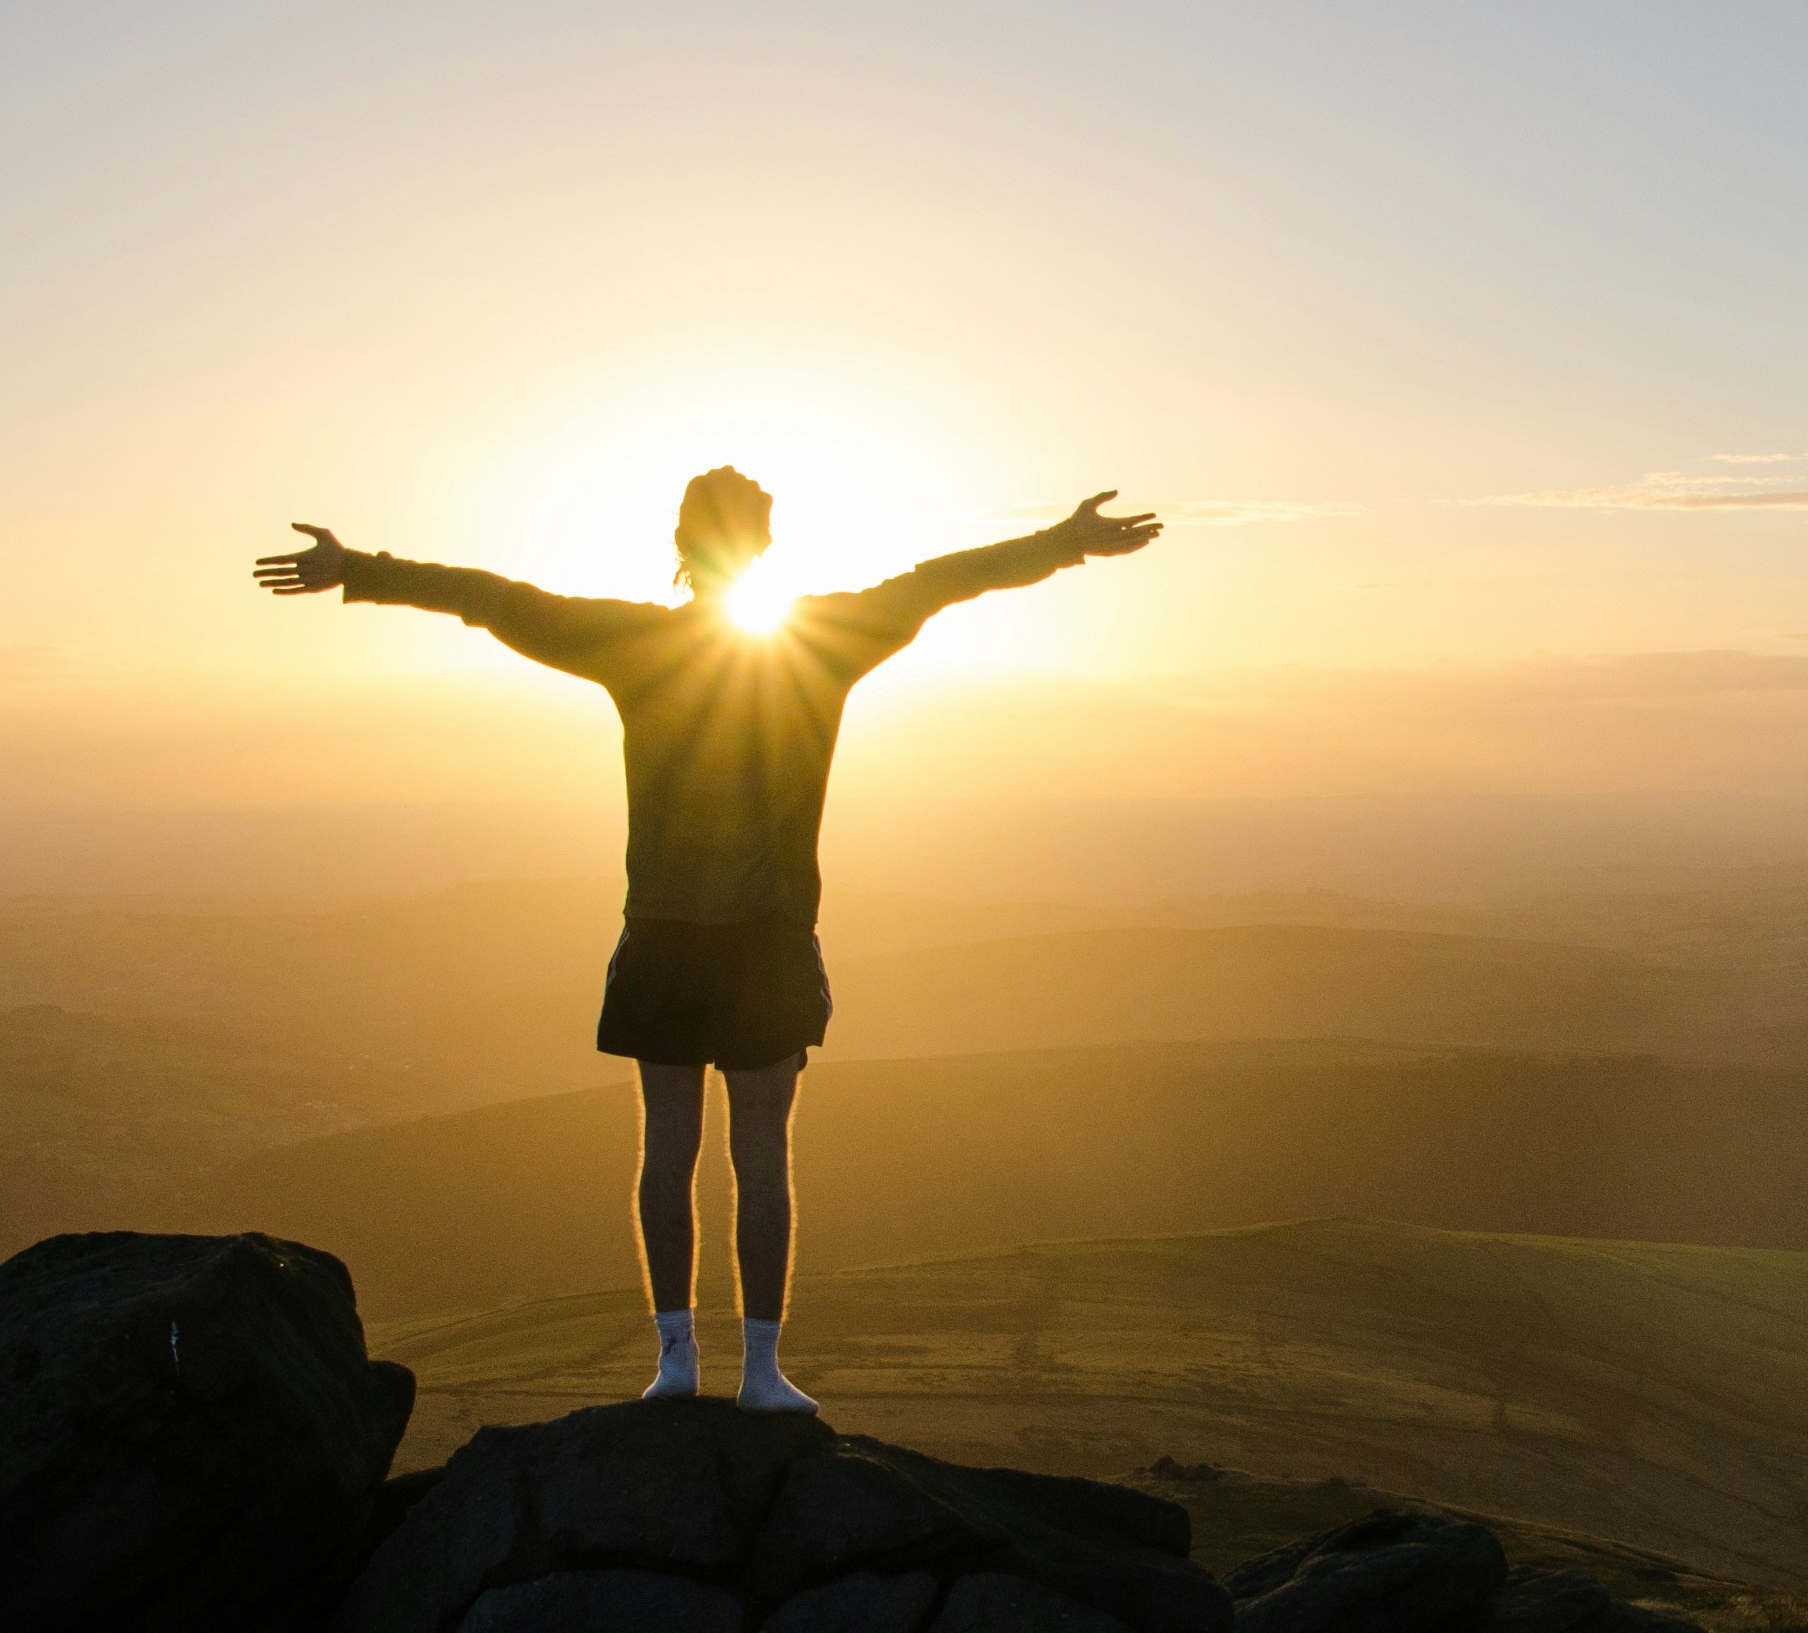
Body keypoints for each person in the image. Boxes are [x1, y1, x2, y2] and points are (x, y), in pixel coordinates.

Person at [253, 469, 1161, 1415]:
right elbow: (942, 580)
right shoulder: (821, 641)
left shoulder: (636, 643)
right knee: (761, 1154)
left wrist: (356, 567)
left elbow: (493, 600)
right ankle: (762, 1373)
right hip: (767, 937)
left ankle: (676, 1362)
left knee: (668, 1151)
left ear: (682, 544)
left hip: (664, 935)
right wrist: (1062, 542)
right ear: (763, 546)